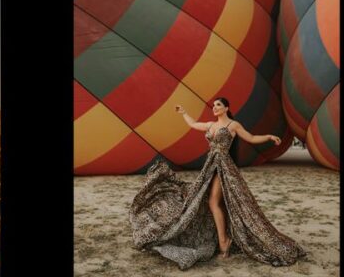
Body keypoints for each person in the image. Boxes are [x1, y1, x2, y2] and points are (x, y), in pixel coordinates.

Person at [129, 97, 305, 269]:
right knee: (204, 200)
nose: (214, 107)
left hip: (223, 166)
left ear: (226, 108)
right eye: (213, 105)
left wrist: (268, 136)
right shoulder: (210, 125)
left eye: (218, 105)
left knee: (214, 202)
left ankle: (224, 242)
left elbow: (250, 138)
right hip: (210, 167)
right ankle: (222, 239)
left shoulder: (232, 125)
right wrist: (184, 113)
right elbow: (193, 124)